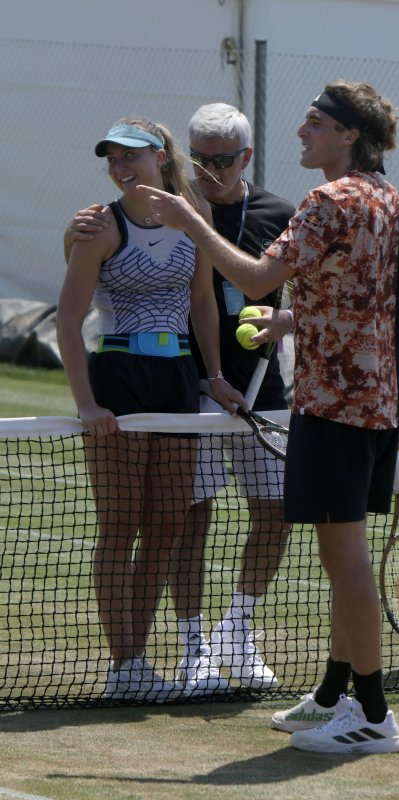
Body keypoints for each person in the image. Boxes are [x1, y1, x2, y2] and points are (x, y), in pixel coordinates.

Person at [136, 80, 399, 753]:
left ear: (348, 135)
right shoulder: (388, 197)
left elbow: (252, 278)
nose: (301, 133)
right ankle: (331, 693)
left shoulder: (328, 199)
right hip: (371, 402)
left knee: (344, 559)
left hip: (334, 406)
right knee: (338, 557)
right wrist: (294, 320)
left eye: (315, 123)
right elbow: (369, 299)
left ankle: (375, 714)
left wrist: (189, 221)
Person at [64, 104, 295, 694]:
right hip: (119, 375)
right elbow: (68, 321)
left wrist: (214, 374)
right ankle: (127, 666)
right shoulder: (100, 225)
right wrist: (87, 404)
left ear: (159, 158)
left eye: (131, 156)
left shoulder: (192, 222)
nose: (120, 167)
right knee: (121, 528)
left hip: (177, 381)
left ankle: (142, 663)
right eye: (113, 159)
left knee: (166, 526)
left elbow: (199, 307)